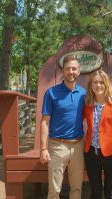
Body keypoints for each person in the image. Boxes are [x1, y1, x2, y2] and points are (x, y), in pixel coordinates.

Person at [39, 54, 86, 199]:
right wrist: (43, 148)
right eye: (68, 69)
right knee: (54, 191)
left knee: (77, 188)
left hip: (78, 145)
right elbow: (45, 122)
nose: (71, 72)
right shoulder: (51, 93)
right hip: (57, 146)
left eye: (74, 69)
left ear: (79, 71)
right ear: (63, 71)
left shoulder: (84, 94)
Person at [84, 70, 112, 199]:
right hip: (91, 153)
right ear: (91, 85)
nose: (98, 85)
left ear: (106, 84)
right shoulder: (88, 103)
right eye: (95, 82)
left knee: (111, 193)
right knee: (95, 192)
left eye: (102, 82)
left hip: (111, 154)